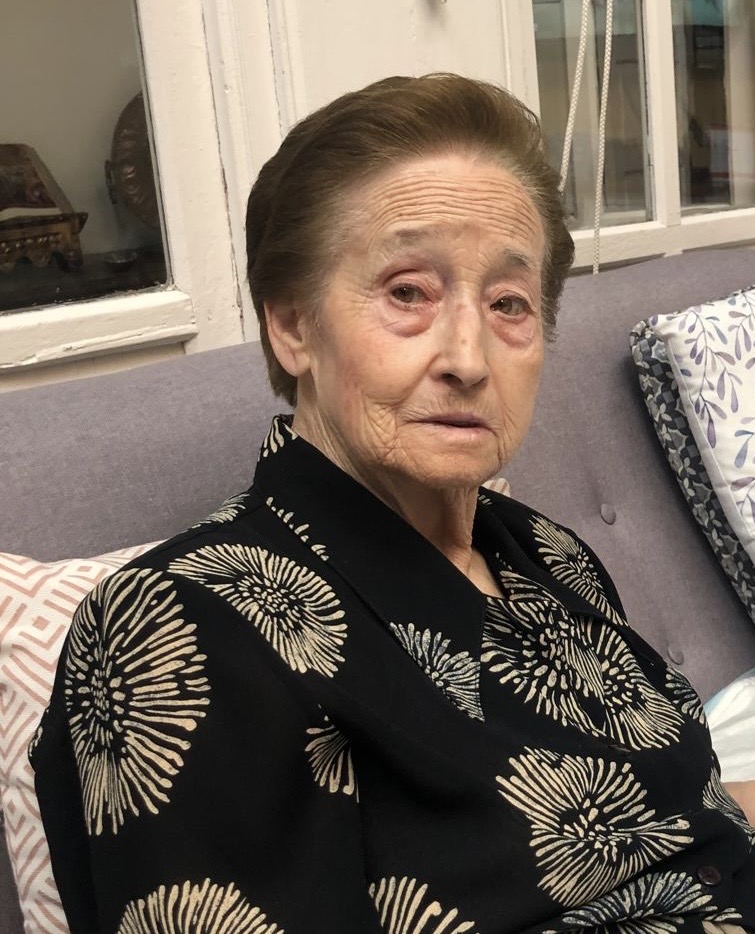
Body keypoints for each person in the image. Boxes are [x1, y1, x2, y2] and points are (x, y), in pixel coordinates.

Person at [32, 73, 754, 934]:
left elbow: (677, 821)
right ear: (292, 325)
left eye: (509, 304)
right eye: (407, 292)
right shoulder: (179, 626)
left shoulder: (543, 553)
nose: (468, 358)